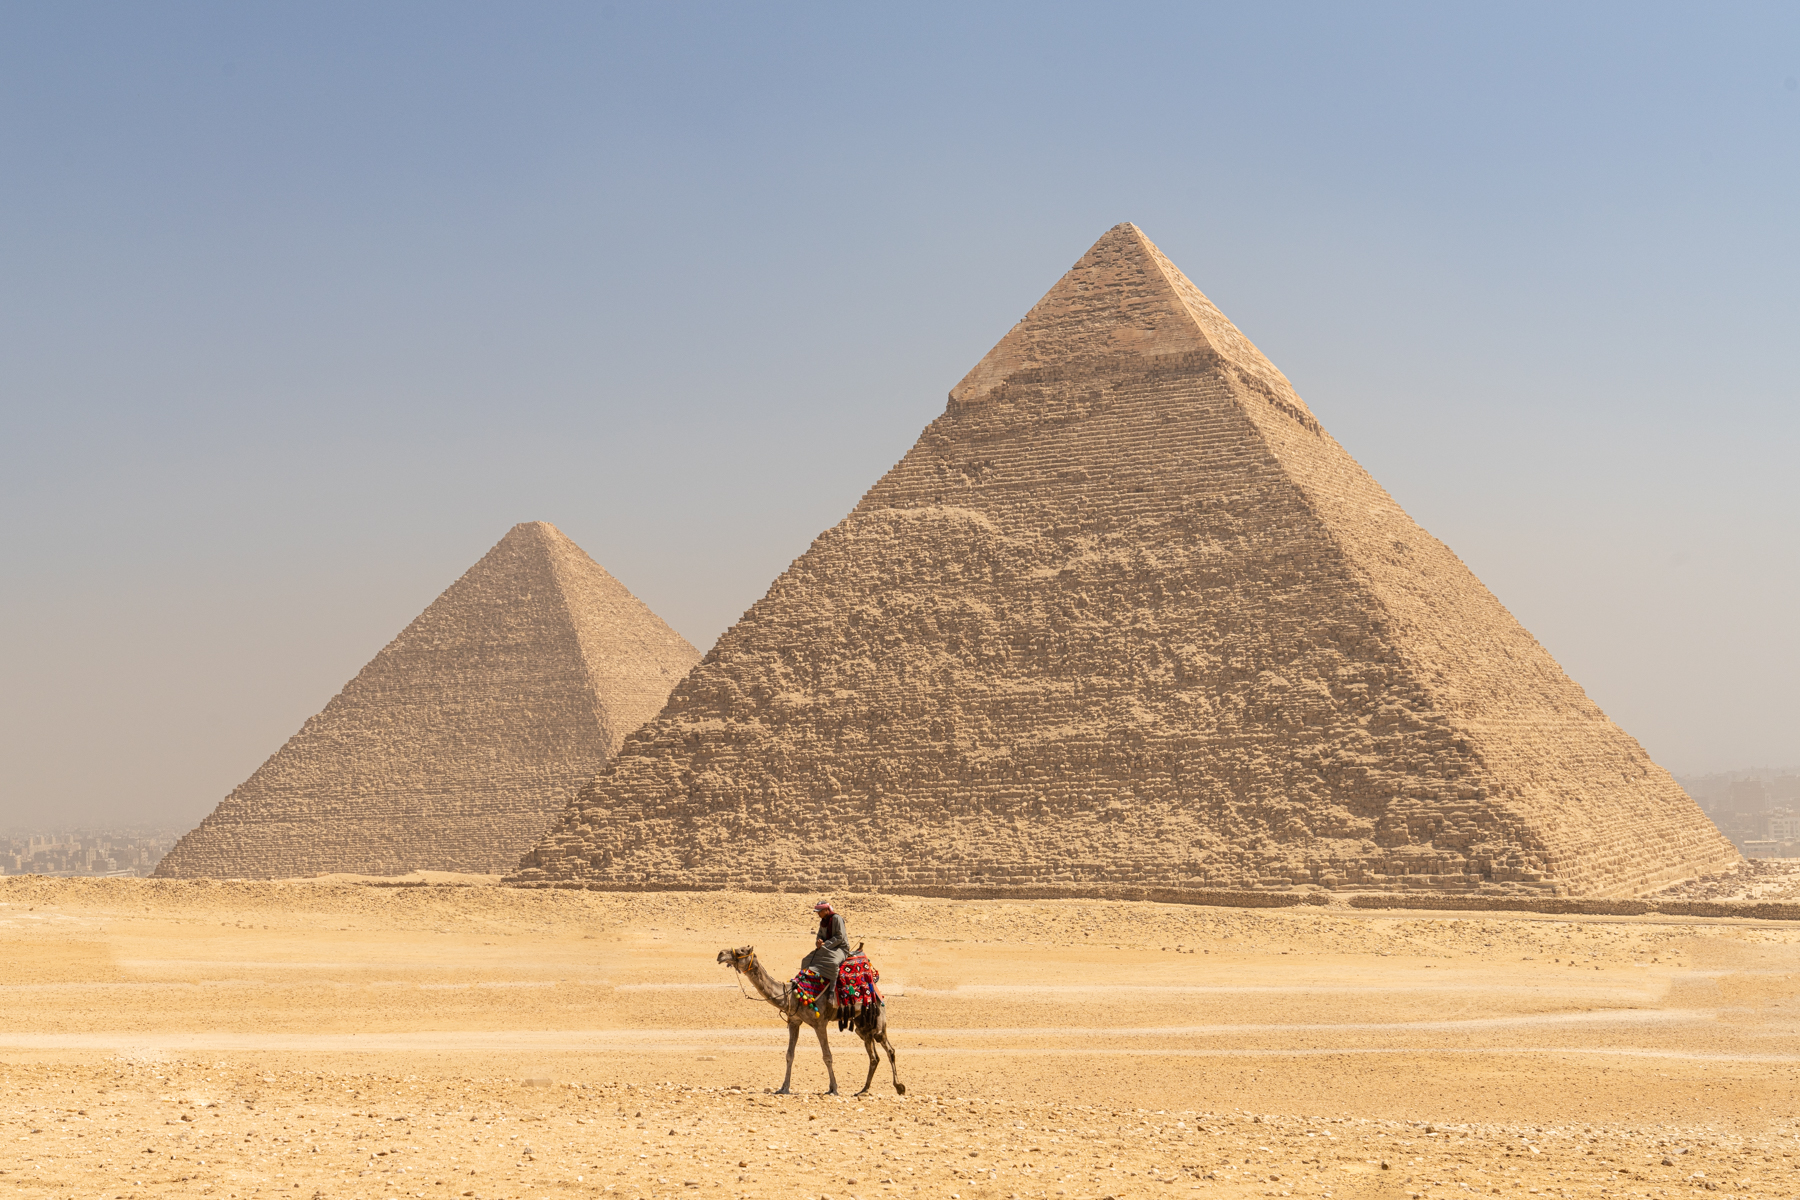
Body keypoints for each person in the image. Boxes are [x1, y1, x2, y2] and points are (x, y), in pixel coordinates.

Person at [800, 898, 849, 1002]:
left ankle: (831, 991)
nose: (818, 914)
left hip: (840, 948)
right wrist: (818, 943)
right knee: (806, 960)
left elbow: (840, 937)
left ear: (826, 910)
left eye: (820, 912)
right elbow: (819, 936)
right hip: (826, 948)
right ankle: (807, 984)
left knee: (833, 962)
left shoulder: (837, 919)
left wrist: (825, 944)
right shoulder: (823, 922)